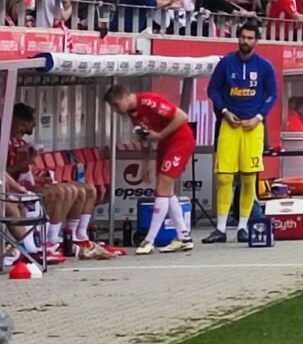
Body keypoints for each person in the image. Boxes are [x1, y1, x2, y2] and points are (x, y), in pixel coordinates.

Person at [7, 102, 109, 262]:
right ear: (12, 121)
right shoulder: (4, 143)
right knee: (61, 192)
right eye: (22, 128)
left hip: (26, 184)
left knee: (87, 189)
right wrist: (27, 162)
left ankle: (77, 235)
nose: (25, 133)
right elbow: (6, 173)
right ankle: (47, 240)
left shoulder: (21, 143)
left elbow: (29, 172)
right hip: (13, 188)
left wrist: (42, 177)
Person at [203, 21, 277, 242]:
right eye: (243, 37)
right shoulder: (226, 63)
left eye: (250, 38)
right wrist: (224, 111)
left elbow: (272, 95)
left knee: (248, 178)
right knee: (224, 177)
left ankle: (243, 227)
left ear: (256, 41)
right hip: (230, 125)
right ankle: (221, 229)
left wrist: (259, 117)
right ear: (238, 38)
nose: (245, 41)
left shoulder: (264, 66)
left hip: (253, 127)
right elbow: (213, 89)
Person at [104, 86, 194, 255]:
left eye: (116, 105)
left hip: (179, 140)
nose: (116, 110)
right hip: (165, 144)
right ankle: (184, 237)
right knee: (167, 190)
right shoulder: (133, 114)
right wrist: (144, 164)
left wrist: (159, 135)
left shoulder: (148, 101)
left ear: (124, 97)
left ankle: (149, 240)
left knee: (162, 188)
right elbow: (145, 138)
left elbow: (181, 116)